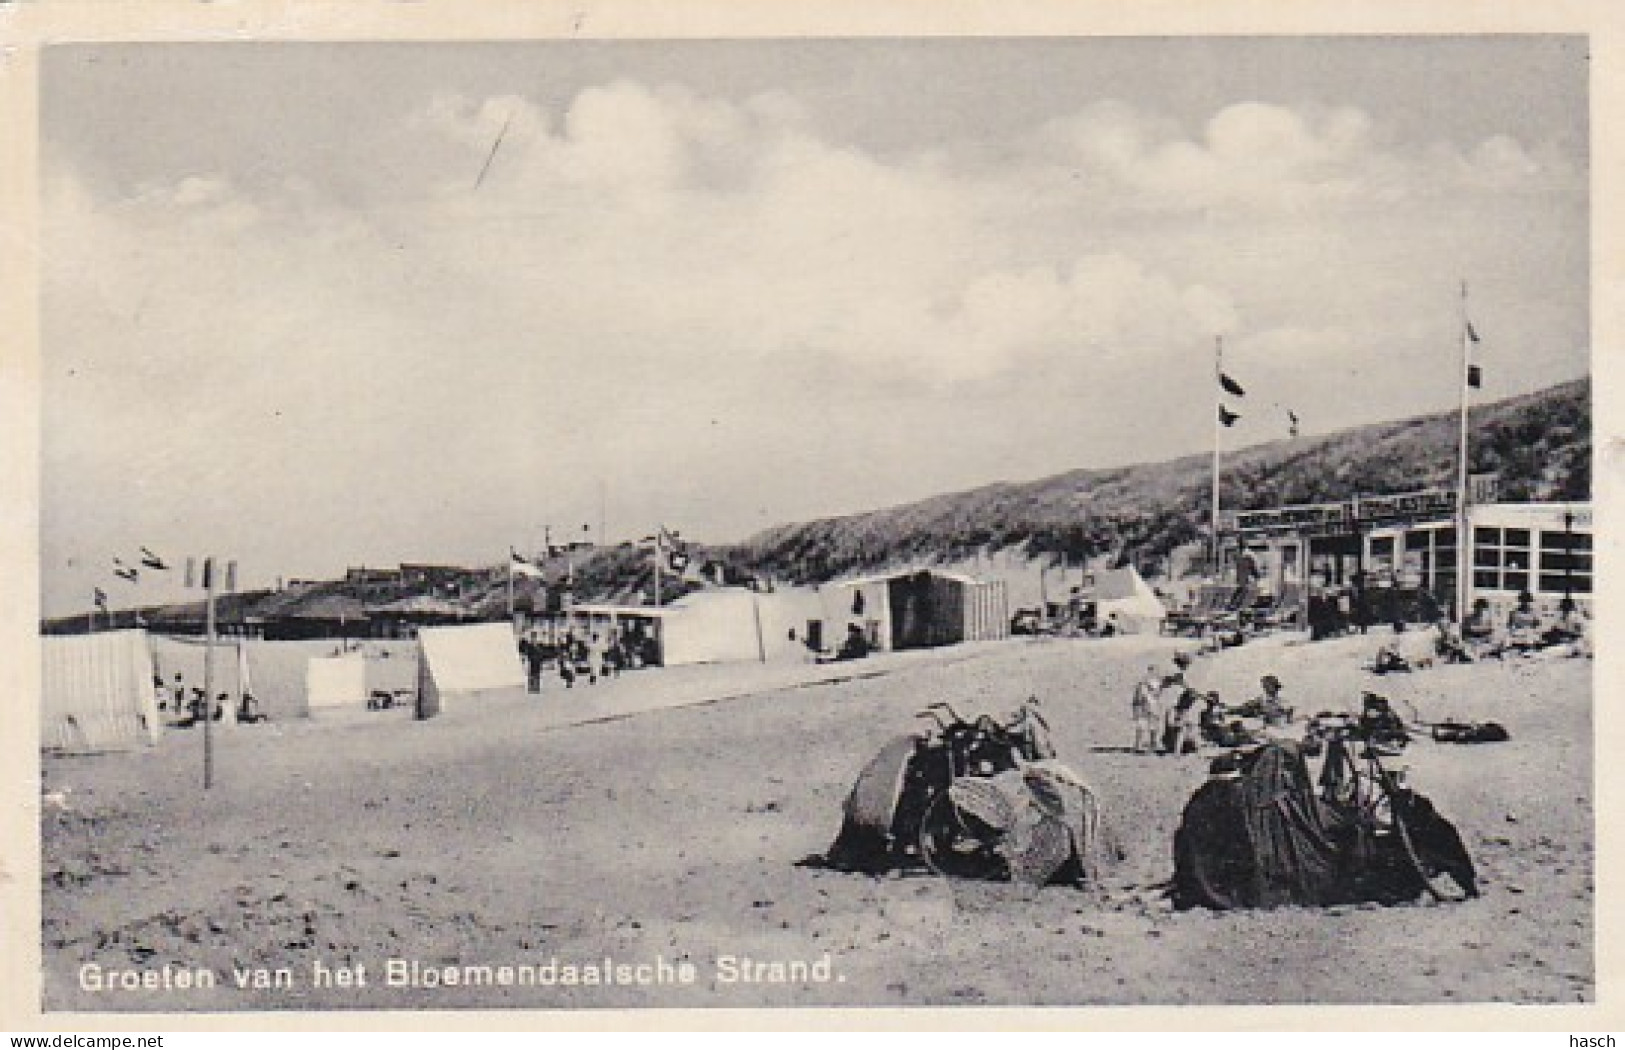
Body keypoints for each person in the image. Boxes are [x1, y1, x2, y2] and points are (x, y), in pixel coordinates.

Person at [1130, 665, 1161, 754]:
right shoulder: (1147, 682)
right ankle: (1144, 745)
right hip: (1148, 705)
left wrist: (1136, 706)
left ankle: (1143, 745)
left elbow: (1138, 696)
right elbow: (1140, 696)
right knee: (1147, 726)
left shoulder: (1145, 682)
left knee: (1148, 726)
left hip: (1148, 705)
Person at [1162, 688, 1201, 755]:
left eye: (1191, 702)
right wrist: (1182, 724)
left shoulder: (1186, 712)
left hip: (1185, 739)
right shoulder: (1173, 710)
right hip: (1171, 737)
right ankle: (1176, 752)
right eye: (1188, 701)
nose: (1189, 704)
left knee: (1193, 729)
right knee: (1182, 729)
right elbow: (1170, 724)